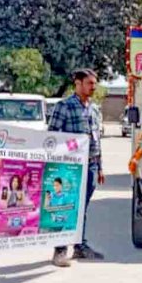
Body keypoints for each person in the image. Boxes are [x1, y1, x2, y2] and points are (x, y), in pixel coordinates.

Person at [48, 69, 106, 267]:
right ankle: (60, 250)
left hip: (90, 166)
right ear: (78, 83)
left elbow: (97, 140)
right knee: (65, 206)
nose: (93, 87)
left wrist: (100, 167)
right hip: (70, 167)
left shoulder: (95, 109)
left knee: (83, 208)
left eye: (94, 83)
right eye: (89, 83)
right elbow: (53, 137)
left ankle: (80, 246)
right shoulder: (64, 106)